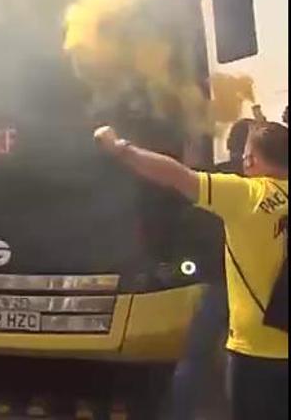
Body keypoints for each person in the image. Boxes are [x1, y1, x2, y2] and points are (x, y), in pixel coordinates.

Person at [94, 121, 288, 420]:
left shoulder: (246, 195)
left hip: (255, 350)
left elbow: (175, 175)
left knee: (195, 361)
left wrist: (121, 149)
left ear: (250, 160)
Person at [167, 118, 252, 420]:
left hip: (216, 281)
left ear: (231, 145)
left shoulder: (211, 179)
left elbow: (186, 225)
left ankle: (181, 413)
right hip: (256, 288)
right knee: (248, 359)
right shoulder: (268, 183)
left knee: (194, 359)